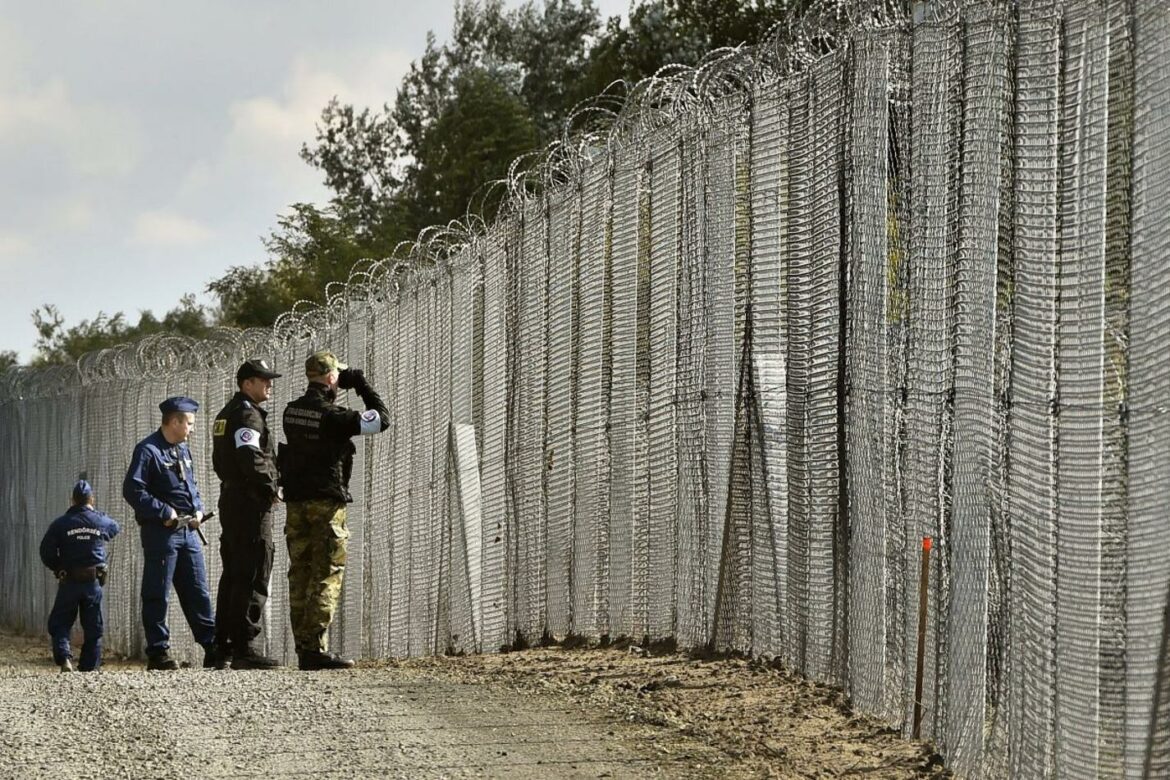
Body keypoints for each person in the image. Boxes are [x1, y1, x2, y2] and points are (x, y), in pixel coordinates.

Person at [280, 351, 389, 670]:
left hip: (296, 503)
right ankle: (314, 648)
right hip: (326, 504)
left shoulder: (291, 412)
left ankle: (305, 646)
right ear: (331, 378)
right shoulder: (334, 416)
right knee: (327, 572)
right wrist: (362, 385)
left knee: (300, 572)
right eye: (337, 377)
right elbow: (382, 419)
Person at [122, 396, 216, 671]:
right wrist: (163, 511)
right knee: (158, 591)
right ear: (174, 421)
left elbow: (191, 486)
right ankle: (158, 652)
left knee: (197, 590)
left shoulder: (181, 449)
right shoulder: (148, 450)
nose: (192, 429)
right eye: (189, 423)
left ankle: (212, 645)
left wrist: (198, 510)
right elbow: (133, 490)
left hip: (188, 531)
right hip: (161, 533)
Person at [210, 359, 283, 670]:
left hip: (233, 498)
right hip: (249, 502)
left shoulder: (228, 413)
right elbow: (250, 456)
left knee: (234, 573)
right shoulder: (246, 414)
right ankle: (245, 646)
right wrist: (271, 487)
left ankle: (223, 646)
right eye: (262, 379)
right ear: (246, 383)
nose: (269, 384)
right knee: (253, 569)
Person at [39, 479, 120, 672]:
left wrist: (58, 568)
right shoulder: (101, 520)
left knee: (60, 622)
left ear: (72, 500)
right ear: (91, 499)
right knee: (93, 626)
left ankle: (64, 658)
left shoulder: (60, 524)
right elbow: (115, 527)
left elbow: (46, 551)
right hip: (93, 582)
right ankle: (89, 667)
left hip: (69, 581)